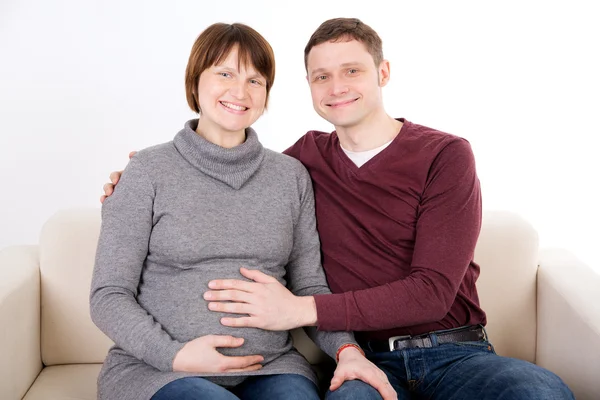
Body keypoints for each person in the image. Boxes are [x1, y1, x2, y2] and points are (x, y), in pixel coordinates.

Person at [102, 18, 575, 399]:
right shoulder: (301, 161)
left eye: (352, 70)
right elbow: (226, 174)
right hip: (347, 357)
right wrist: (133, 184)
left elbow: (427, 291)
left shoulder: (440, 155)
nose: (337, 86)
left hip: (453, 354)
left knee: (540, 392)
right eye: (321, 76)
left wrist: (303, 313)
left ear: (382, 73)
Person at [91, 22, 395, 400]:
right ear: (195, 82)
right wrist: (176, 354)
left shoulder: (289, 176)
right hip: (160, 371)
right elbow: (108, 295)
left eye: (255, 80)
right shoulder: (147, 171)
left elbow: (310, 288)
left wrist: (346, 350)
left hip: (273, 367)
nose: (240, 91)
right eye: (224, 73)